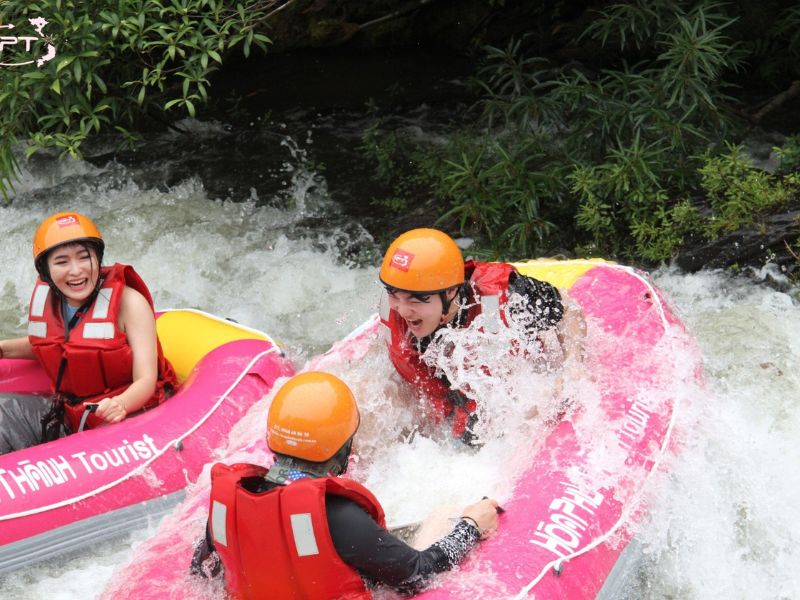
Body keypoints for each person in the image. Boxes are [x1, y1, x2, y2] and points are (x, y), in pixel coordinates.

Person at [192, 371, 502, 598]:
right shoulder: (338, 516)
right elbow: (417, 575)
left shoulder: (227, 507)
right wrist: (471, 526)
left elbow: (202, 570)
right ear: (342, 449)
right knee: (444, 515)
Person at [378, 228, 584, 445]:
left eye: (415, 300)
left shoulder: (503, 298)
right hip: (440, 412)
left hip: (501, 405)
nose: (403, 311)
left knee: (528, 412)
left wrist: (574, 366)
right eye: (394, 295)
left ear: (450, 292)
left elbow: (569, 310)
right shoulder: (395, 307)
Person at [0, 211, 177, 453]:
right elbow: (53, 345)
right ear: (46, 271)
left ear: (98, 259)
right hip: (71, 413)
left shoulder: (130, 303)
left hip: (126, 416)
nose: (76, 271)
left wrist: (121, 404)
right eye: (62, 262)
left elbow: (146, 378)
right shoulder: (52, 301)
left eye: (84, 258)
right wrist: (4, 349)